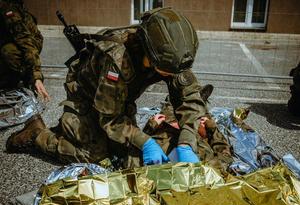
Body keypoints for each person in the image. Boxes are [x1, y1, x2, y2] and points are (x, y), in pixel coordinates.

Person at [6, 7, 221, 168]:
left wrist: (186, 142)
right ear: (149, 53)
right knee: (94, 156)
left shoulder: (170, 56)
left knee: (124, 152)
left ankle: (70, 130)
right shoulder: (117, 59)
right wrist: (145, 142)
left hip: (119, 97)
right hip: (88, 97)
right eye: (167, 71)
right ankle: (37, 134)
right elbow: (109, 118)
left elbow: (189, 99)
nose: (173, 76)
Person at [0, 0, 49, 100]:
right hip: (9, 41)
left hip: (28, 43)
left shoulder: (8, 8)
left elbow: (26, 42)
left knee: (9, 51)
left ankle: (26, 77)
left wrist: (36, 76)